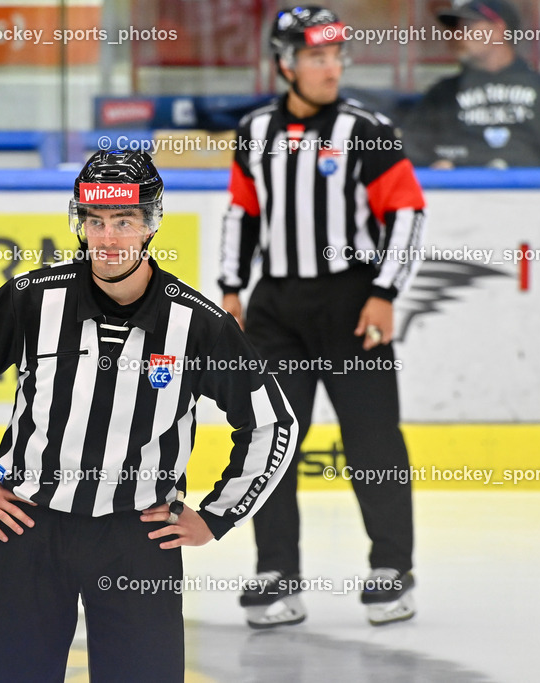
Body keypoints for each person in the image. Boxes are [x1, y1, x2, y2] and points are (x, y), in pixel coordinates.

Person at [0, 150, 297, 682]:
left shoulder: (198, 323)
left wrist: (217, 517)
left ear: (151, 225)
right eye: (95, 221)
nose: (108, 238)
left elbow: (273, 423)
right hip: (29, 528)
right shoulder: (33, 299)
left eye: (124, 221)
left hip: (138, 541)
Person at [219, 5, 426, 627]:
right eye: (316, 57)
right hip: (276, 310)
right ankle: (276, 572)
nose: (331, 68)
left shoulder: (367, 129)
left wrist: (385, 292)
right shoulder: (254, 130)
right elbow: (241, 212)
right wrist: (231, 289)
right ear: (285, 65)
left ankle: (392, 568)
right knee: (271, 438)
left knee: (372, 439)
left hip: (351, 303)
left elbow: (408, 213)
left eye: (336, 56)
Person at [403, 0, 540, 169]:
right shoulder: (443, 93)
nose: (457, 35)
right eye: (456, 28)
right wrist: (433, 165)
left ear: (498, 30)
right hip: (464, 193)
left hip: (535, 192)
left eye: (468, 26)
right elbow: (410, 146)